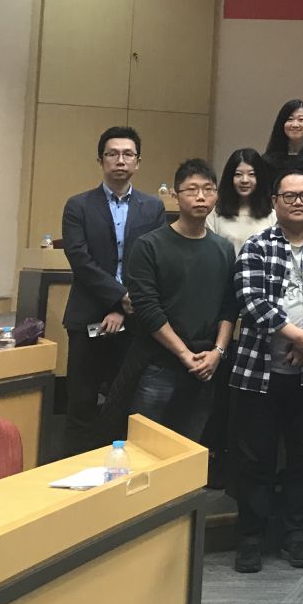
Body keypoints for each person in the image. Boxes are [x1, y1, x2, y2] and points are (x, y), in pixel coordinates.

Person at [229, 170, 303, 573]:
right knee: (254, 460)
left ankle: (297, 534)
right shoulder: (257, 245)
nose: (298, 202)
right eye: (290, 196)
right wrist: (295, 335)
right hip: (257, 372)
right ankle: (250, 538)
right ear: (275, 202)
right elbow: (250, 299)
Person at [61, 126, 167, 454]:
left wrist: (122, 308)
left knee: (126, 402)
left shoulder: (153, 207)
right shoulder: (78, 206)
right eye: (112, 154)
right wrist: (119, 297)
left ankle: (120, 470)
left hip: (134, 321)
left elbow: (154, 262)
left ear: (138, 161)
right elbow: (80, 260)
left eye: (127, 154)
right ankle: (76, 466)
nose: (120, 160)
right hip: (87, 318)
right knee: (81, 400)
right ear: (100, 160)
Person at [117, 158, 236, 443]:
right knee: (145, 445)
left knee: (189, 447)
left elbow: (229, 306)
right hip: (159, 363)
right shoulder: (149, 245)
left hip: (206, 363)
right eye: (191, 189)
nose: (200, 196)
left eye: (208, 189)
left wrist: (217, 352)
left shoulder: (223, 248)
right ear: (175, 195)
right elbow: (148, 309)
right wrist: (183, 354)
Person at [207, 149, 274, 253]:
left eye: (251, 174)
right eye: (238, 174)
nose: (244, 180)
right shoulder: (214, 216)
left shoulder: (273, 217)